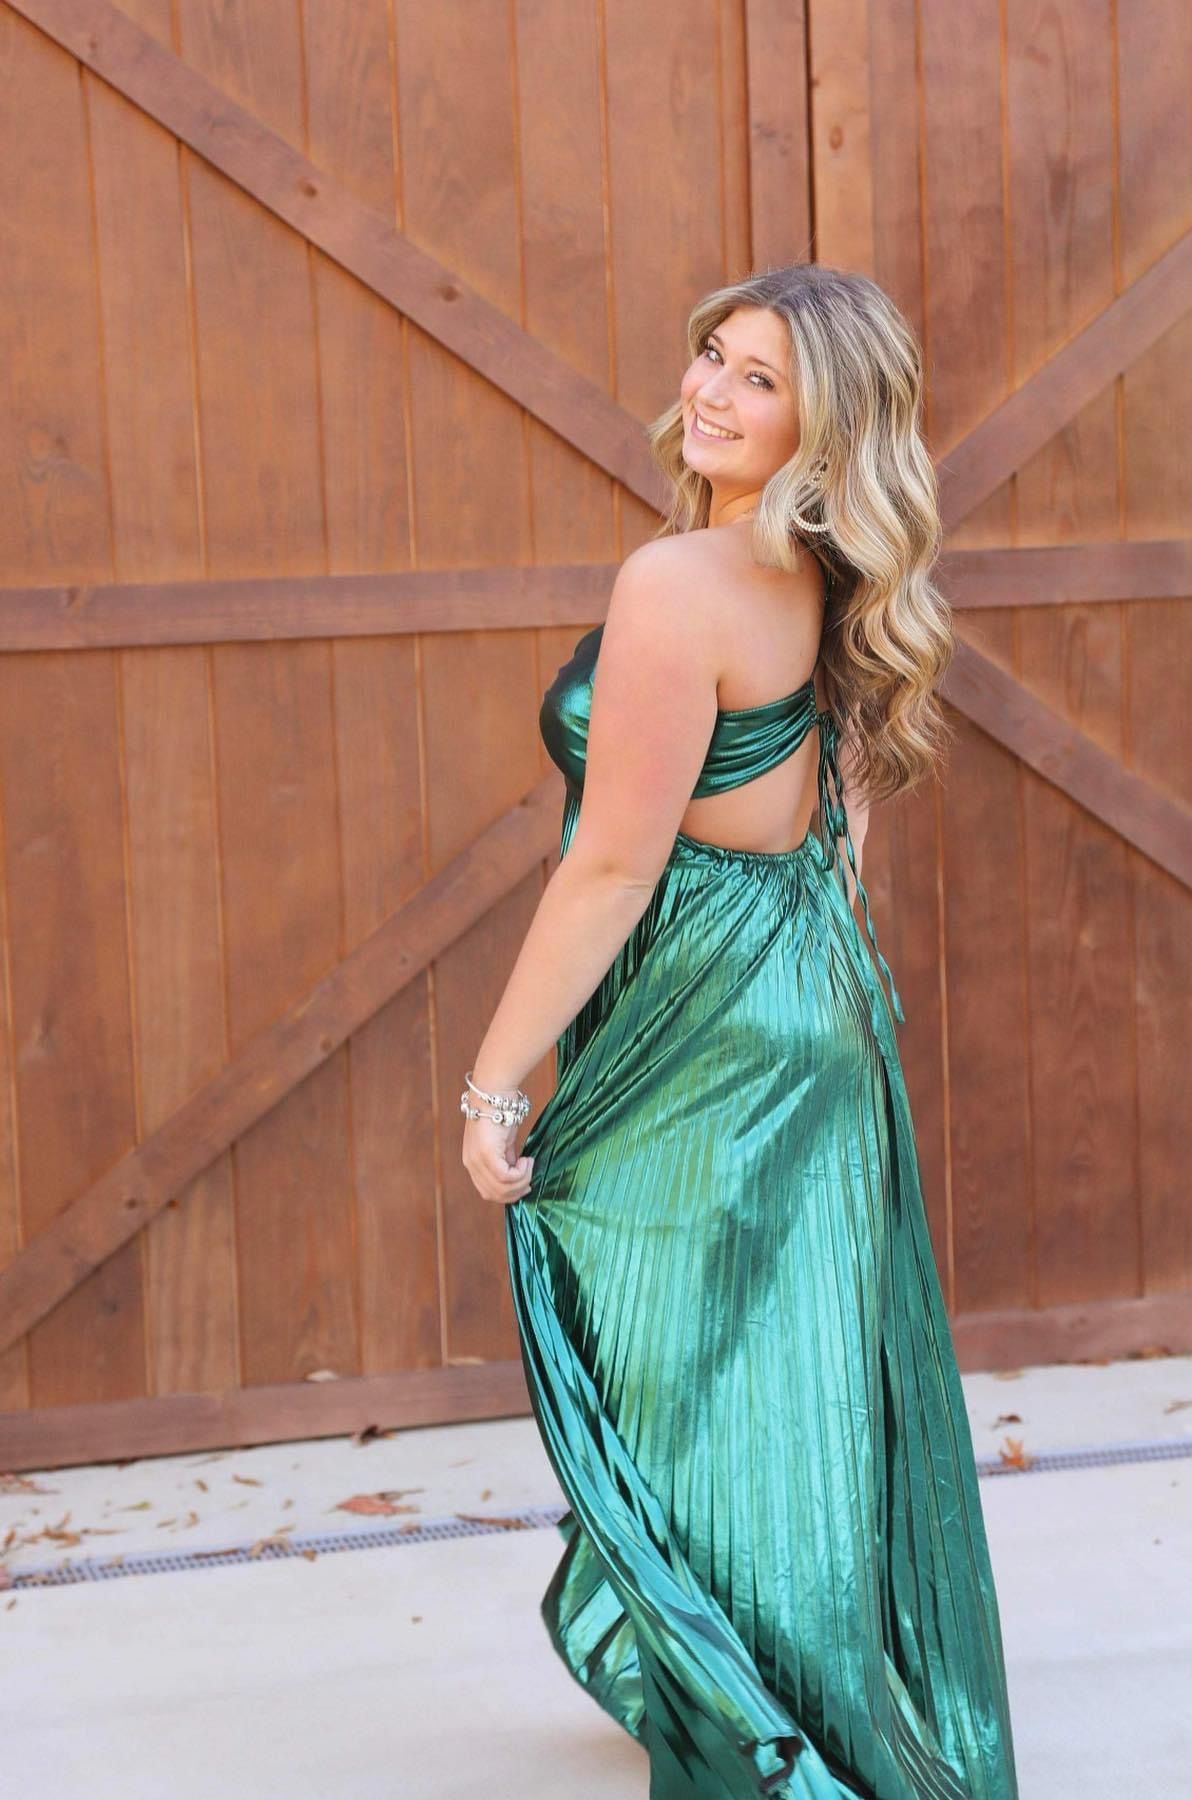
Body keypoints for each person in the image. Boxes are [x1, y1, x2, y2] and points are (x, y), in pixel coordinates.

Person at [462, 262, 1020, 1799]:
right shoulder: (827, 570)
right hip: (803, 999)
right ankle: (778, 1688)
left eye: (761, 377)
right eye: (712, 353)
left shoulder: (678, 584)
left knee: (685, 1370)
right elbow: (837, 816)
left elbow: (616, 863)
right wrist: (815, 981)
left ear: (823, 419)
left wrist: (490, 1080)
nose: (711, 389)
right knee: (766, 1375)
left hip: (703, 1020)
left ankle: (763, 1731)